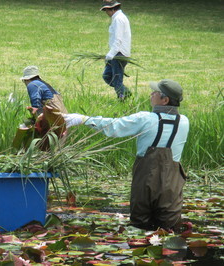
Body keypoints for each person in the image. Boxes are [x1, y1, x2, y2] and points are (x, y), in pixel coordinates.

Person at [63, 79, 189, 231]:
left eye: (155, 92)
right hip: (173, 183)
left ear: (165, 100)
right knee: (170, 227)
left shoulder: (146, 118)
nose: (151, 94)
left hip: (146, 178)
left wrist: (84, 119)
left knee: (140, 225)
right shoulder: (184, 121)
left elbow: (115, 127)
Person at [100, 0, 132, 100]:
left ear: (112, 9)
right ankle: (125, 92)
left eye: (107, 10)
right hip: (117, 53)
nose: (106, 13)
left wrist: (111, 54)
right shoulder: (118, 18)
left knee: (117, 79)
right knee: (107, 76)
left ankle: (122, 99)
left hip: (119, 54)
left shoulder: (118, 19)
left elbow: (118, 39)